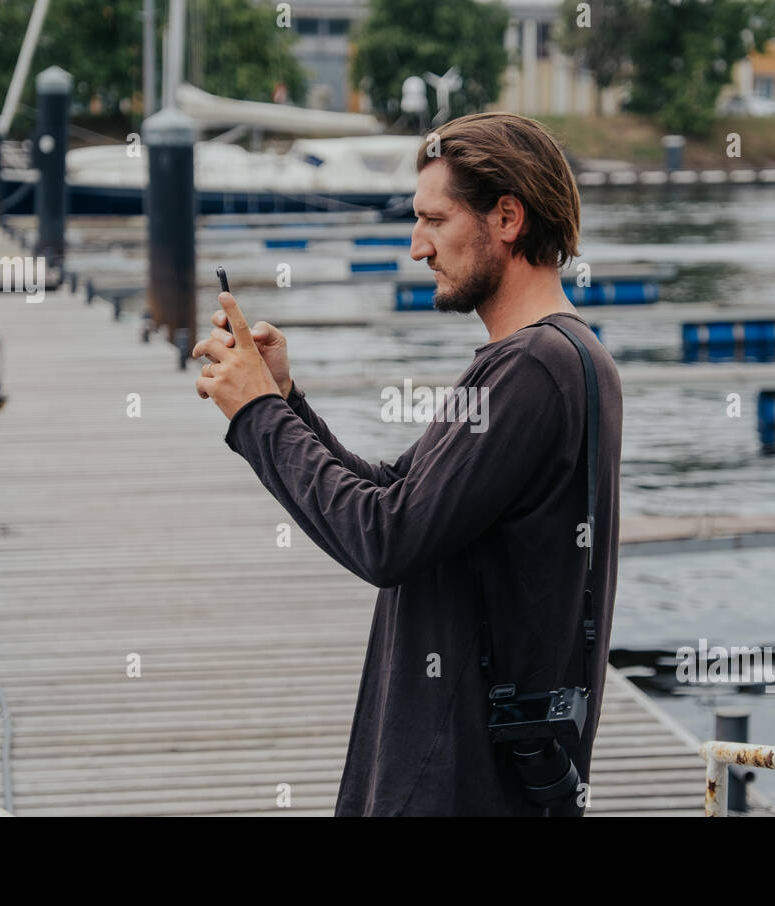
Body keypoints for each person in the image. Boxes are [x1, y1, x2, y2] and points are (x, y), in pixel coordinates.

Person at [191, 112, 623, 816]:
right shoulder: (562, 358)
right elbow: (400, 495)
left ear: (507, 217)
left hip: (457, 782)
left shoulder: (534, 368)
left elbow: (386, 540)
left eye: (433, 219)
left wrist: (255, 416)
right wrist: (284, 400)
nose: (417, 246)